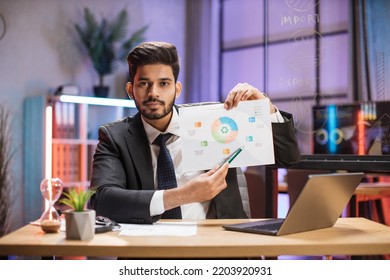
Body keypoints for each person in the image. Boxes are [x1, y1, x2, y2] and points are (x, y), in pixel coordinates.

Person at [90, 41, 300, 224]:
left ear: (177, 89)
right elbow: (102, 201)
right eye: (144, 83)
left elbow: (287, 158)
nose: (153, 92)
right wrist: (182, 195)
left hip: (219, 247)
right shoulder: (114, 137)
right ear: (130, 90)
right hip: (151, 250)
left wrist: (267, 109)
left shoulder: (212, 120)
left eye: (164, 83)